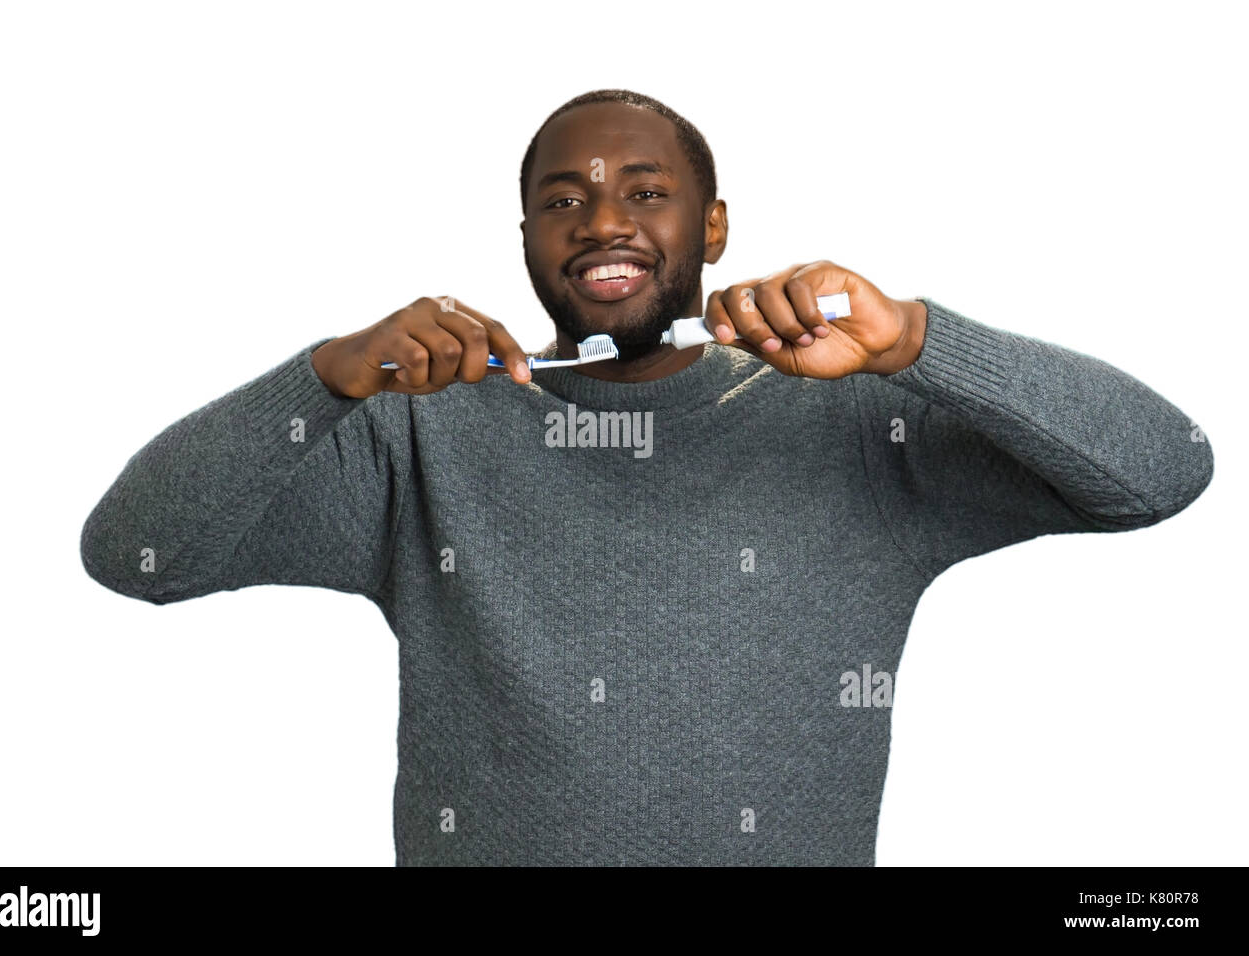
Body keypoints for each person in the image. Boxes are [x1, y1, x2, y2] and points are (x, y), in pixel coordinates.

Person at [80, 89, 1215, 866]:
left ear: (712, 226)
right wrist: (321, 379)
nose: (603, 220)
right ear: (526, 236)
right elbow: (134, 555)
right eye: (563, 198)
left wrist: (921, 339)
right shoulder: (419, 432)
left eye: (646, 190)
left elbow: (1160, 471)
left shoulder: (858, 420)